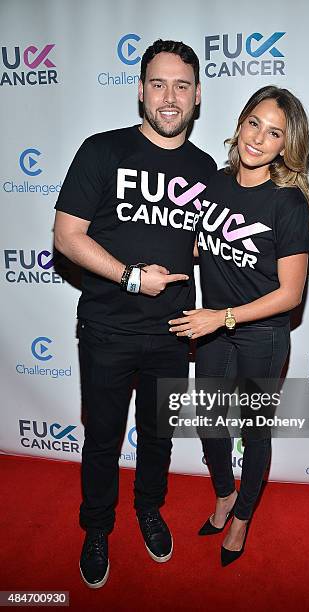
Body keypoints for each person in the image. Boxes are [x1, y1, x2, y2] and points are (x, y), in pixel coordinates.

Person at [53, 39, 216, 588]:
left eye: (182, 86)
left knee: (157, 436)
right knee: (102, 436)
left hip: (173, 329)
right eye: (158, 84)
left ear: (197, 97)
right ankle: (97, 527)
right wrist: (129, 276)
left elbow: (201, 242)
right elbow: (67, 236)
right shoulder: (101, 151)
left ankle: (149, 508)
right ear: (140, 90)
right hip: (106, 328)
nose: (169, 97)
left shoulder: (205, 167)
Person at [169, 85, 309, 566]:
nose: (259, 138)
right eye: (254, 123)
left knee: (253, 432)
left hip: (260, 336)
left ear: (286, 146)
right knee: (211, 426)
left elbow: (290, 294)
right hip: (213, 330)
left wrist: (224, 316)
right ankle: (225, 494)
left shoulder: (287, 203)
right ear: (239, 123)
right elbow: (198, 244)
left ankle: (243, 517)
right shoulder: (214, 182)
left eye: (274, 133)